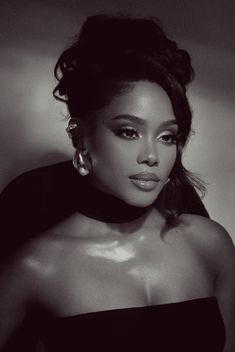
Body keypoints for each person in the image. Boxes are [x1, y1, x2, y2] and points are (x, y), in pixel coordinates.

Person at [0, 15, 234, 352]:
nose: (151, 155)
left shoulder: (211, 246)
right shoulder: (36, 267)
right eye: (128, 131)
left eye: (167, 136)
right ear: (81, 137)